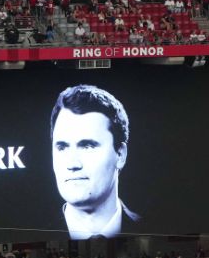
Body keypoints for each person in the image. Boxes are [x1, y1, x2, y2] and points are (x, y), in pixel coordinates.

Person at [49, 85, 140, 240]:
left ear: (120, 154)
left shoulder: (150, 226)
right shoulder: (30, 230)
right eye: (62, 147)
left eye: (87, 146)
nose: (72, 164)